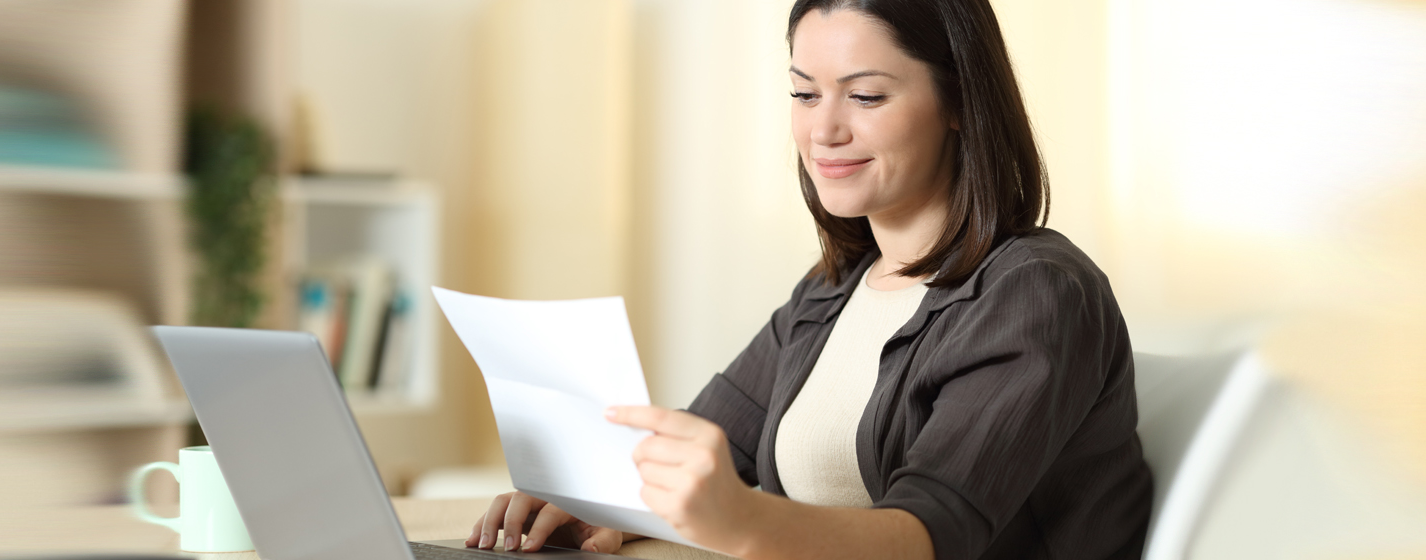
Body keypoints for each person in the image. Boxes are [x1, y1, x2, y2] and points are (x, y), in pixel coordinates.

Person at [465, 0, 1153, 558]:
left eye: (866, 95)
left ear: (958, 102)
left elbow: (928, 536)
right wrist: (601, 504)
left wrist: (742, 523)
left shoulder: (1038, 295)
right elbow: (716, 446)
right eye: (803, 92)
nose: (823, 129)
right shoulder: (834, 289)